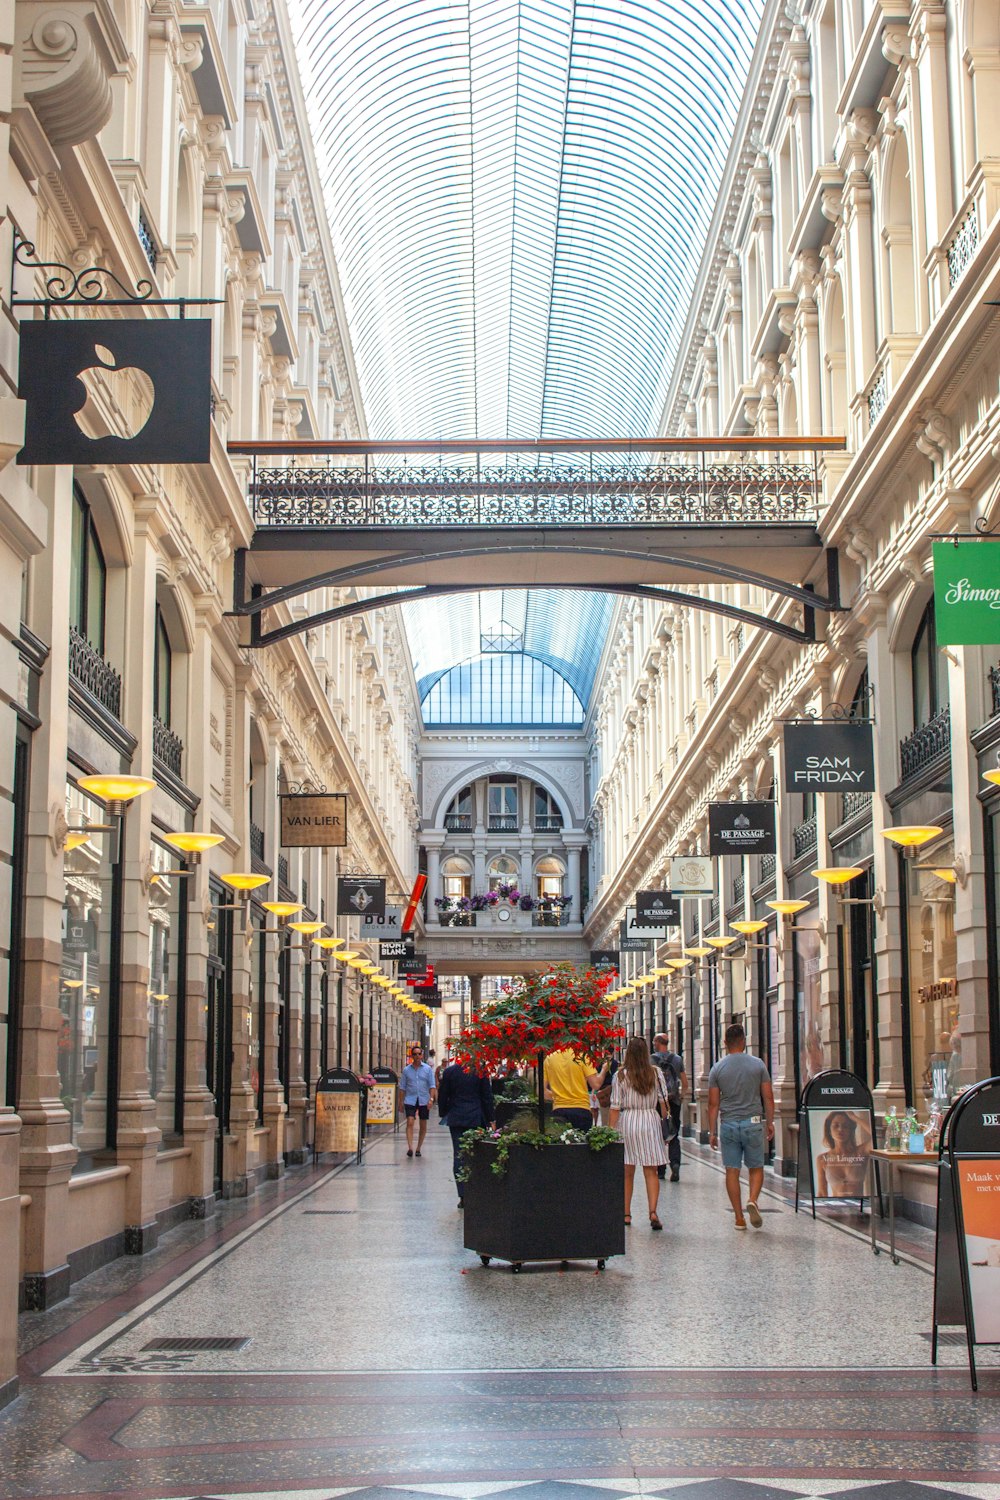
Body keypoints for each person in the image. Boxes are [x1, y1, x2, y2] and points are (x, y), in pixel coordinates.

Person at [707, 1023, 774, 1229]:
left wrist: (712, 1132)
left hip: (728, 1125)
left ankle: (738, 1217)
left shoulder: (717, 1068)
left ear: (725, 1043)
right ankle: (752, 1199)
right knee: (756, 1167)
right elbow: (768, 1097)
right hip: (753, 1122)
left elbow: (713, 1104)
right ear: (744, 1041)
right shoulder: (758, 1065)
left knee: (732, 1170)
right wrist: (769, 1122)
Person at [608, 1036, 670, 1229]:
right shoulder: (656, 1073)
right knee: (651, 1170)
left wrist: (611, 1131)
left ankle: (626, 1214)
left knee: (628, 1170)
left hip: (628, 1122)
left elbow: (615, 1107)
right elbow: (663, 1103)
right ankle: (652, 1212)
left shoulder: (620, 1075)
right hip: (650, 1121)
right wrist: (663, 1125)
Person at [437, 1057, 494, 1207]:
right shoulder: (480, 1071)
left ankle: (462, 1195)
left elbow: (443, 1095)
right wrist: (491, 1119)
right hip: (475, 1118)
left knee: (459, 1154)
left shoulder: (450, 1072)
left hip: (456, 1118)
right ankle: (475, 1191)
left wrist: (443, 1113)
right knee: (476, 1154)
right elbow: (487, 1096)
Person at [543, 1046, 608, 1132]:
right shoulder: (582, 1056)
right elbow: (596, 1084)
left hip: (559, 1110)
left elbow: (541, 1091)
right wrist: (604, 1070)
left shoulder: (549, 1059)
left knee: (560, 1144)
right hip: (581, 1109)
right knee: (582, 1144)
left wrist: (559, 1096)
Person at [651, 1033, 687, 1183]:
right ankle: (675, 1163)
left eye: (654, 1041)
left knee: (658, 1135)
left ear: (658, 1042)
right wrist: (681, 1097)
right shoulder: (677, 1059)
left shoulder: (651, 1060)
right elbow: (685, 1083)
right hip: (674, 1102)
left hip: (657, 1104)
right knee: (673, 1134)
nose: (653, 1043)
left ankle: (660, 1170)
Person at [815, 1110, 870, 1198]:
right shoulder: (822, 1158)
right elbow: (822, 1192)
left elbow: (875, 1138)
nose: (840, 1129)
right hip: (836, 1206)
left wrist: (855, 1118)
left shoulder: (860, 1152)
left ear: (851, 1130)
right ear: (829, 1130)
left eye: (845, 1126)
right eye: (836, 1126)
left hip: (858, 1206)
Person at [398, 1045, 437, 1157]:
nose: (417, 1056)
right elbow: (402, 1087)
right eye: (414, 1054)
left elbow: (432, 1085)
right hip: (410, 1099)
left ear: (422, 1055)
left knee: (423, 1124)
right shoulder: (406, 1070)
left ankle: (418, 1148)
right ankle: (410, 1147)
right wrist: (400, 1102)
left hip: (424, 1099)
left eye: (419, 1054)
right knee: (410, 1121)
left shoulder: (427, 1069)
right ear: (412, 1055)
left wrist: (431, 1099)